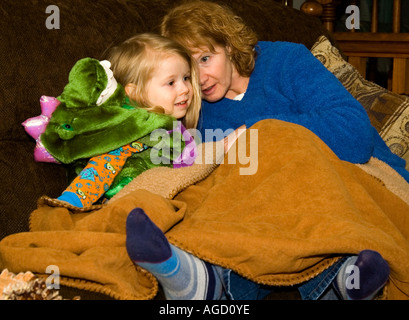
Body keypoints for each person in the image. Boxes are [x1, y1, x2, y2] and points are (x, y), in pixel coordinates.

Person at [155, 1, 403, 300]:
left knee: (272, 152)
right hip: (273, 213)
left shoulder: (285, 60)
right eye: (187, 71)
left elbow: (354, 136)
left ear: (230, 46)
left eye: (205, 59)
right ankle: (216, 280)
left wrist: (258, 133)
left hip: (352, 179)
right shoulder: (194, 108)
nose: (200, 78)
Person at [57, 33, 201, 207]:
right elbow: (102, 167)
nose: (185, 88)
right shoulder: (130, 129)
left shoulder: (176, 130)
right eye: (171, 82)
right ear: (134, 92)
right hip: (123, 202)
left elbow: (188, 171)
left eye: (186, 78)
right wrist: (70, 202)